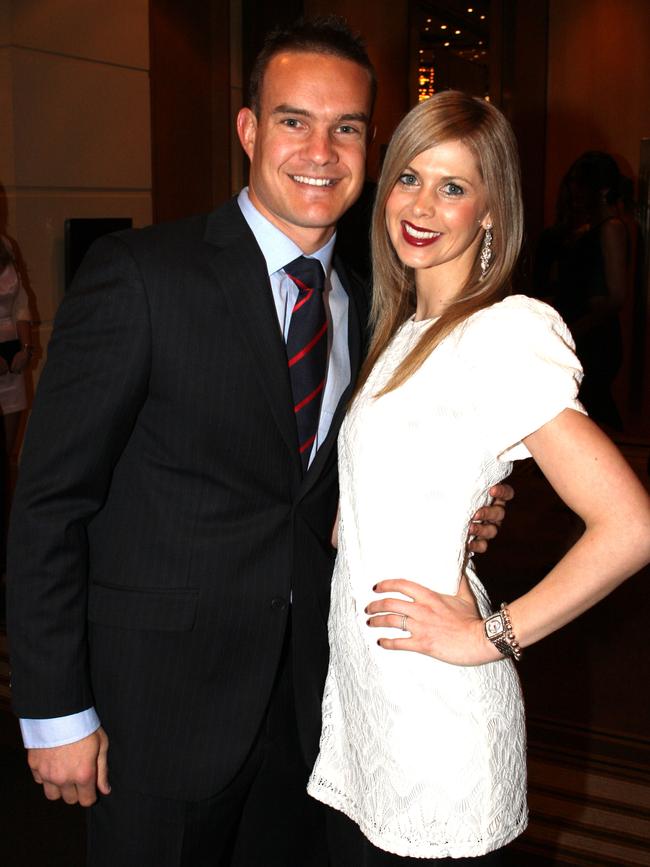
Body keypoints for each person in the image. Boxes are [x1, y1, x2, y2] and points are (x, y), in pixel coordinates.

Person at [6, 19, 510, 867]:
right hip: (155, 716)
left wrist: (458, 509)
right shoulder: (142, 276)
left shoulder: (370, 304)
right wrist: (56, 709)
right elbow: (51, 502)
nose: (321, 149)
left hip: (311, 713)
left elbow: (328, 492)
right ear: (248, 130)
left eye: (346, 126)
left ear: (370, 145)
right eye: (292, 120)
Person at [307, 91, 650, 865]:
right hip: (370, 706)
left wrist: (490, 636)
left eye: (454, 187)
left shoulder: (502, 334)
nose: (422, 205)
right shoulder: (401, 328)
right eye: (410, 177)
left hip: (438, 721)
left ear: (492, 209)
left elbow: (630, 526)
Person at [533, 151, 631, 429]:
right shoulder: (590, 229)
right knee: (585, 406)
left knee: (593, 407)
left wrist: (576, 329)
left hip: (595, 336)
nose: (575, 191)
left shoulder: (611, 228)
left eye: (581, 184)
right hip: (584, 331)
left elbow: (616, 296)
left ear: (602, 190)